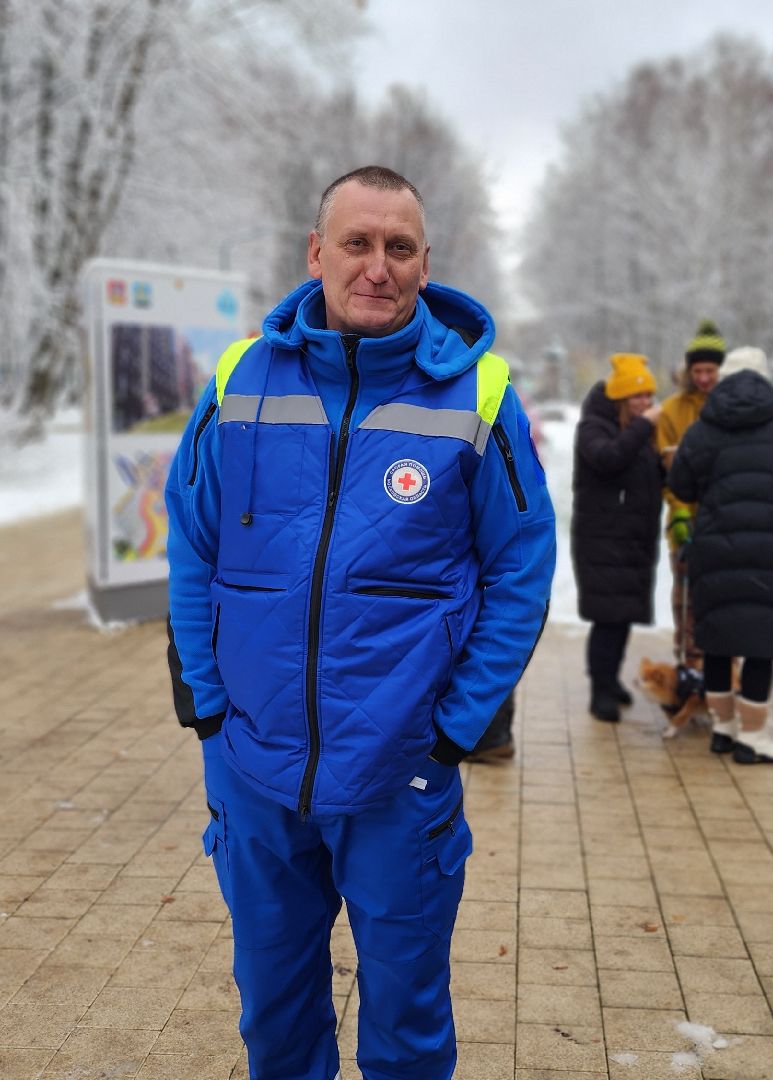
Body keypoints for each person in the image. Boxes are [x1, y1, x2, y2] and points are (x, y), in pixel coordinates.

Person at [164, 165, 554, 1080]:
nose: (377, 266)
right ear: (317, 252)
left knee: (407, 1026)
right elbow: (193, 550)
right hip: (255, 770)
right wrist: (212, 713)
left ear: (425, 262)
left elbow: (521, 574)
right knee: (275, 1017)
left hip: (398, 780)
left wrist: (452, 732)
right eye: (357, 243)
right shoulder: (239, 380)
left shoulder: (479, 398)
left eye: (399, 247)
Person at [668, 347, 773, 764]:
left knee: (718, 639)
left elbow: (680, 485)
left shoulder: (703, 429)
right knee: (760, 641)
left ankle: (723, 729)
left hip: (717, 547)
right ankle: (754, 737)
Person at [571, 353, 663, 722]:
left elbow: (644, 476)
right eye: (639, 397)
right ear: (622, 398)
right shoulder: (595, 428)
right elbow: (609, 459)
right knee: (607, 619)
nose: (646, 404)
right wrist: (643, 429)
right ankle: (599, 690)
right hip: (603, 541)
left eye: (649, 397)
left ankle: (610, 682)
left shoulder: (636, 430)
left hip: (633, 540)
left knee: (622, 617)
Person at [654, 319, 725, 679]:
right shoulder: (672, 409)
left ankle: (724, 671)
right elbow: (665, 466)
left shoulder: (731, 406)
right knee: (686, 601)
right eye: (697, 370)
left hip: (726, 519)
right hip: (685, 519)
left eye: (710, 370)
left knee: (721, 600)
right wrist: (679, 512)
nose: (703, 378)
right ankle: (690, 667)